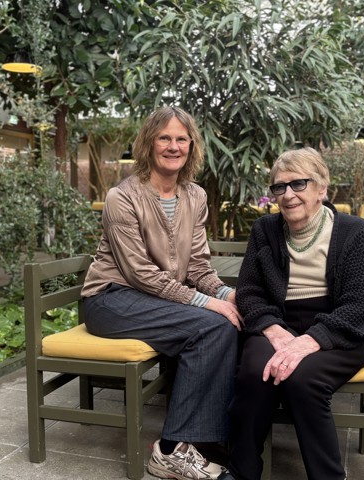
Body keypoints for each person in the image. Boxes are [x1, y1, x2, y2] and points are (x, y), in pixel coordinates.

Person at [80, 106, 242, 480]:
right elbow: (139, 274)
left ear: (192, 146)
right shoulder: (123, 197)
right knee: (212, 326)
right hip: (110, 299)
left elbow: (198, 265)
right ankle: (169, 451)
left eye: (181, 139)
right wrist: (207, 303)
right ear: (149, 143)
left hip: (153, 300)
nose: (173, 146)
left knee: (230, 321)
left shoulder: (195, 196)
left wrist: (226, 295)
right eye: (164, 137)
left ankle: (203, 442)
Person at [221, 147, 364, 480]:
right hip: (280, 321)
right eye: (279, 187)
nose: (288, 194)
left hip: (344, 327)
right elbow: (250, 291)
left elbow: (360, 305)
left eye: (298, 184)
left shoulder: (356, 231)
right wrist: (272, 328)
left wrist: (309, 341)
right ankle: (242, 471)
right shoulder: (265, 230)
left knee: (303, 378)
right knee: (255, 371)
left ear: (322, 188)